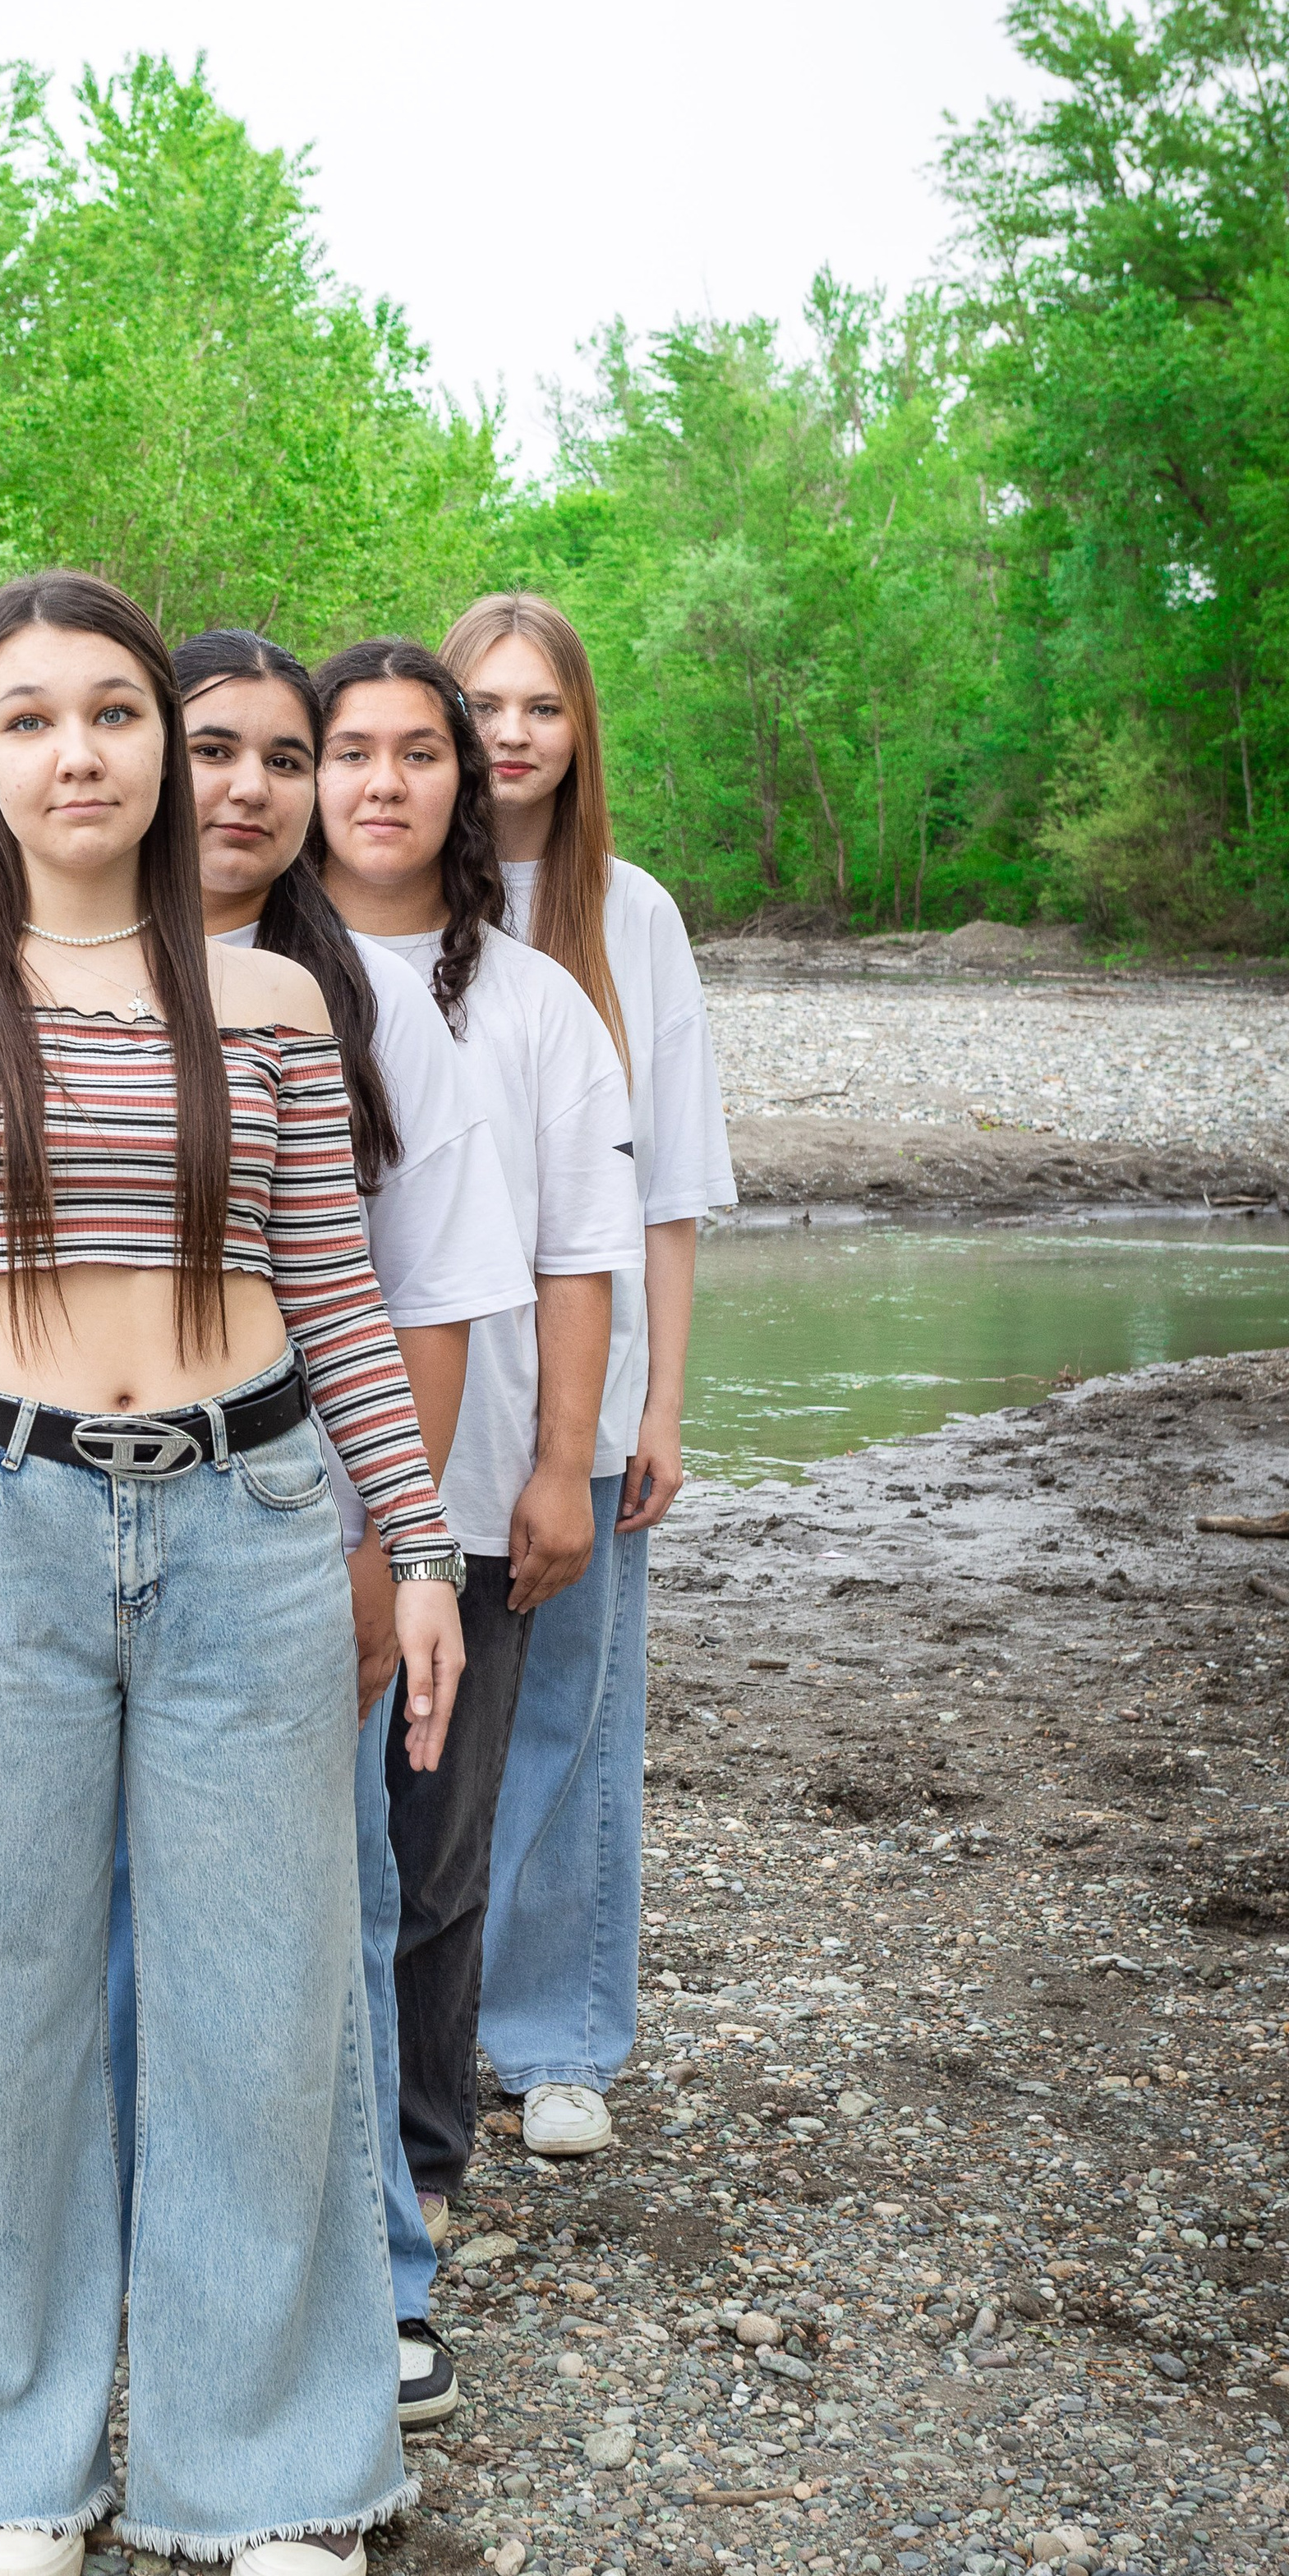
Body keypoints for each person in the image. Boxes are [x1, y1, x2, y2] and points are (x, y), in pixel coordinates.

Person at [0, 572, 467, 2576]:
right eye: (30, 718)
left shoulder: (263, 1002)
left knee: (264, 2004)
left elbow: (335, 1300)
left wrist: (417, 1544)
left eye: (111, 712)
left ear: (154, 759)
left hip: (248, 1526)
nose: (77, 751)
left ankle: (267, 2465)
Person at [105, 630, 531, 2436]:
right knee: (107, 1924)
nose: (250, 791)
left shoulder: (354, 1003)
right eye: (213, 750)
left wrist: (389, 1548)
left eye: (283, 760)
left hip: (307, 1521)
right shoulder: (46, 976)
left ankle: (374, 2279)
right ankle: (140, 2268)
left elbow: (422, 1304)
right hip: (69, 1525)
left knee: (334, 1906)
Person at [311, 636, 642, 2238]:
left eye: (416, 754)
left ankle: (423, 2162)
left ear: (460, 784)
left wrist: (558, 1465)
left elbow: (582, 1245)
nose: (383, 782)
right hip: (271, 1498)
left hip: (478, 1491)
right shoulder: (245, 972)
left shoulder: (532, 1005)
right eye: (349, 750)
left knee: (435, 1850)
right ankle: (303, 2153)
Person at [440, 591, 735, 2157]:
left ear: (580, 729)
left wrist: (658, 1410)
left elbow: (668, 1192)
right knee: (408, 1712)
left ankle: (551, 2038)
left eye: (539, 707)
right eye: (479, 705)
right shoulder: (384, 887)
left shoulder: (633, 917)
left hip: (582, 1391)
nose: (508, 735)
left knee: (570, 1710)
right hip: (410, 1388)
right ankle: (414, 2018)